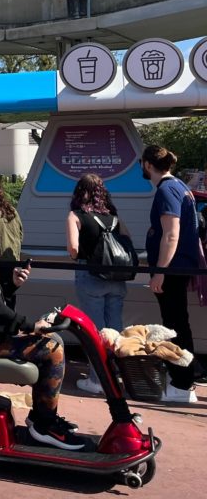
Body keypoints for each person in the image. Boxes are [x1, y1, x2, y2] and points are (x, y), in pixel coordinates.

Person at [0, 206, 84, 450]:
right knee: (53, 348)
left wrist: (10, 286)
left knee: (54, 341)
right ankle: (45, 424)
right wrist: (30, 325)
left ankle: (41, 416)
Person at [141, 145, 200, 404]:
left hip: (172, 268)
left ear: (147, 164)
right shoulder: (179, 187)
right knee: (178, 323)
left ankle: (181, 382)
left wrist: (160, 271)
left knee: (175, 325)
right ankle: (185, 378)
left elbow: (171, 233)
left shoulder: (166, 190)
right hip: (180, 266)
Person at [65, 173, 129, 395]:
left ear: (79, 192)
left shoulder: (76, 216)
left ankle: (97, 380)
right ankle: (118, 375)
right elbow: (127, 241)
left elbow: (73, 249)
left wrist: (79, 255)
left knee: (95, 330)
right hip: (116, 278)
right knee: (115, 329)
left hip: (90, 275)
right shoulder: (114, 217)